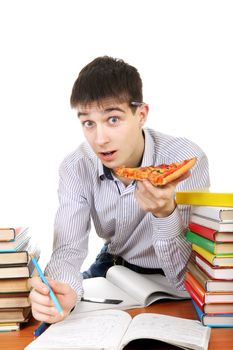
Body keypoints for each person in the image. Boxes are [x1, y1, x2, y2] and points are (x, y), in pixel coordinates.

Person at [29, 56, 210, 323]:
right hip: (116, 264)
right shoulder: (76, 166)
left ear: (141, 114)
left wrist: (165, 214)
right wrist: (60, 289)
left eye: (113, 119)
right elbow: (68, 249)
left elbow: (185, 277)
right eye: (88, 123)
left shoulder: (183, 158)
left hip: (175, 269)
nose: (100, 139)